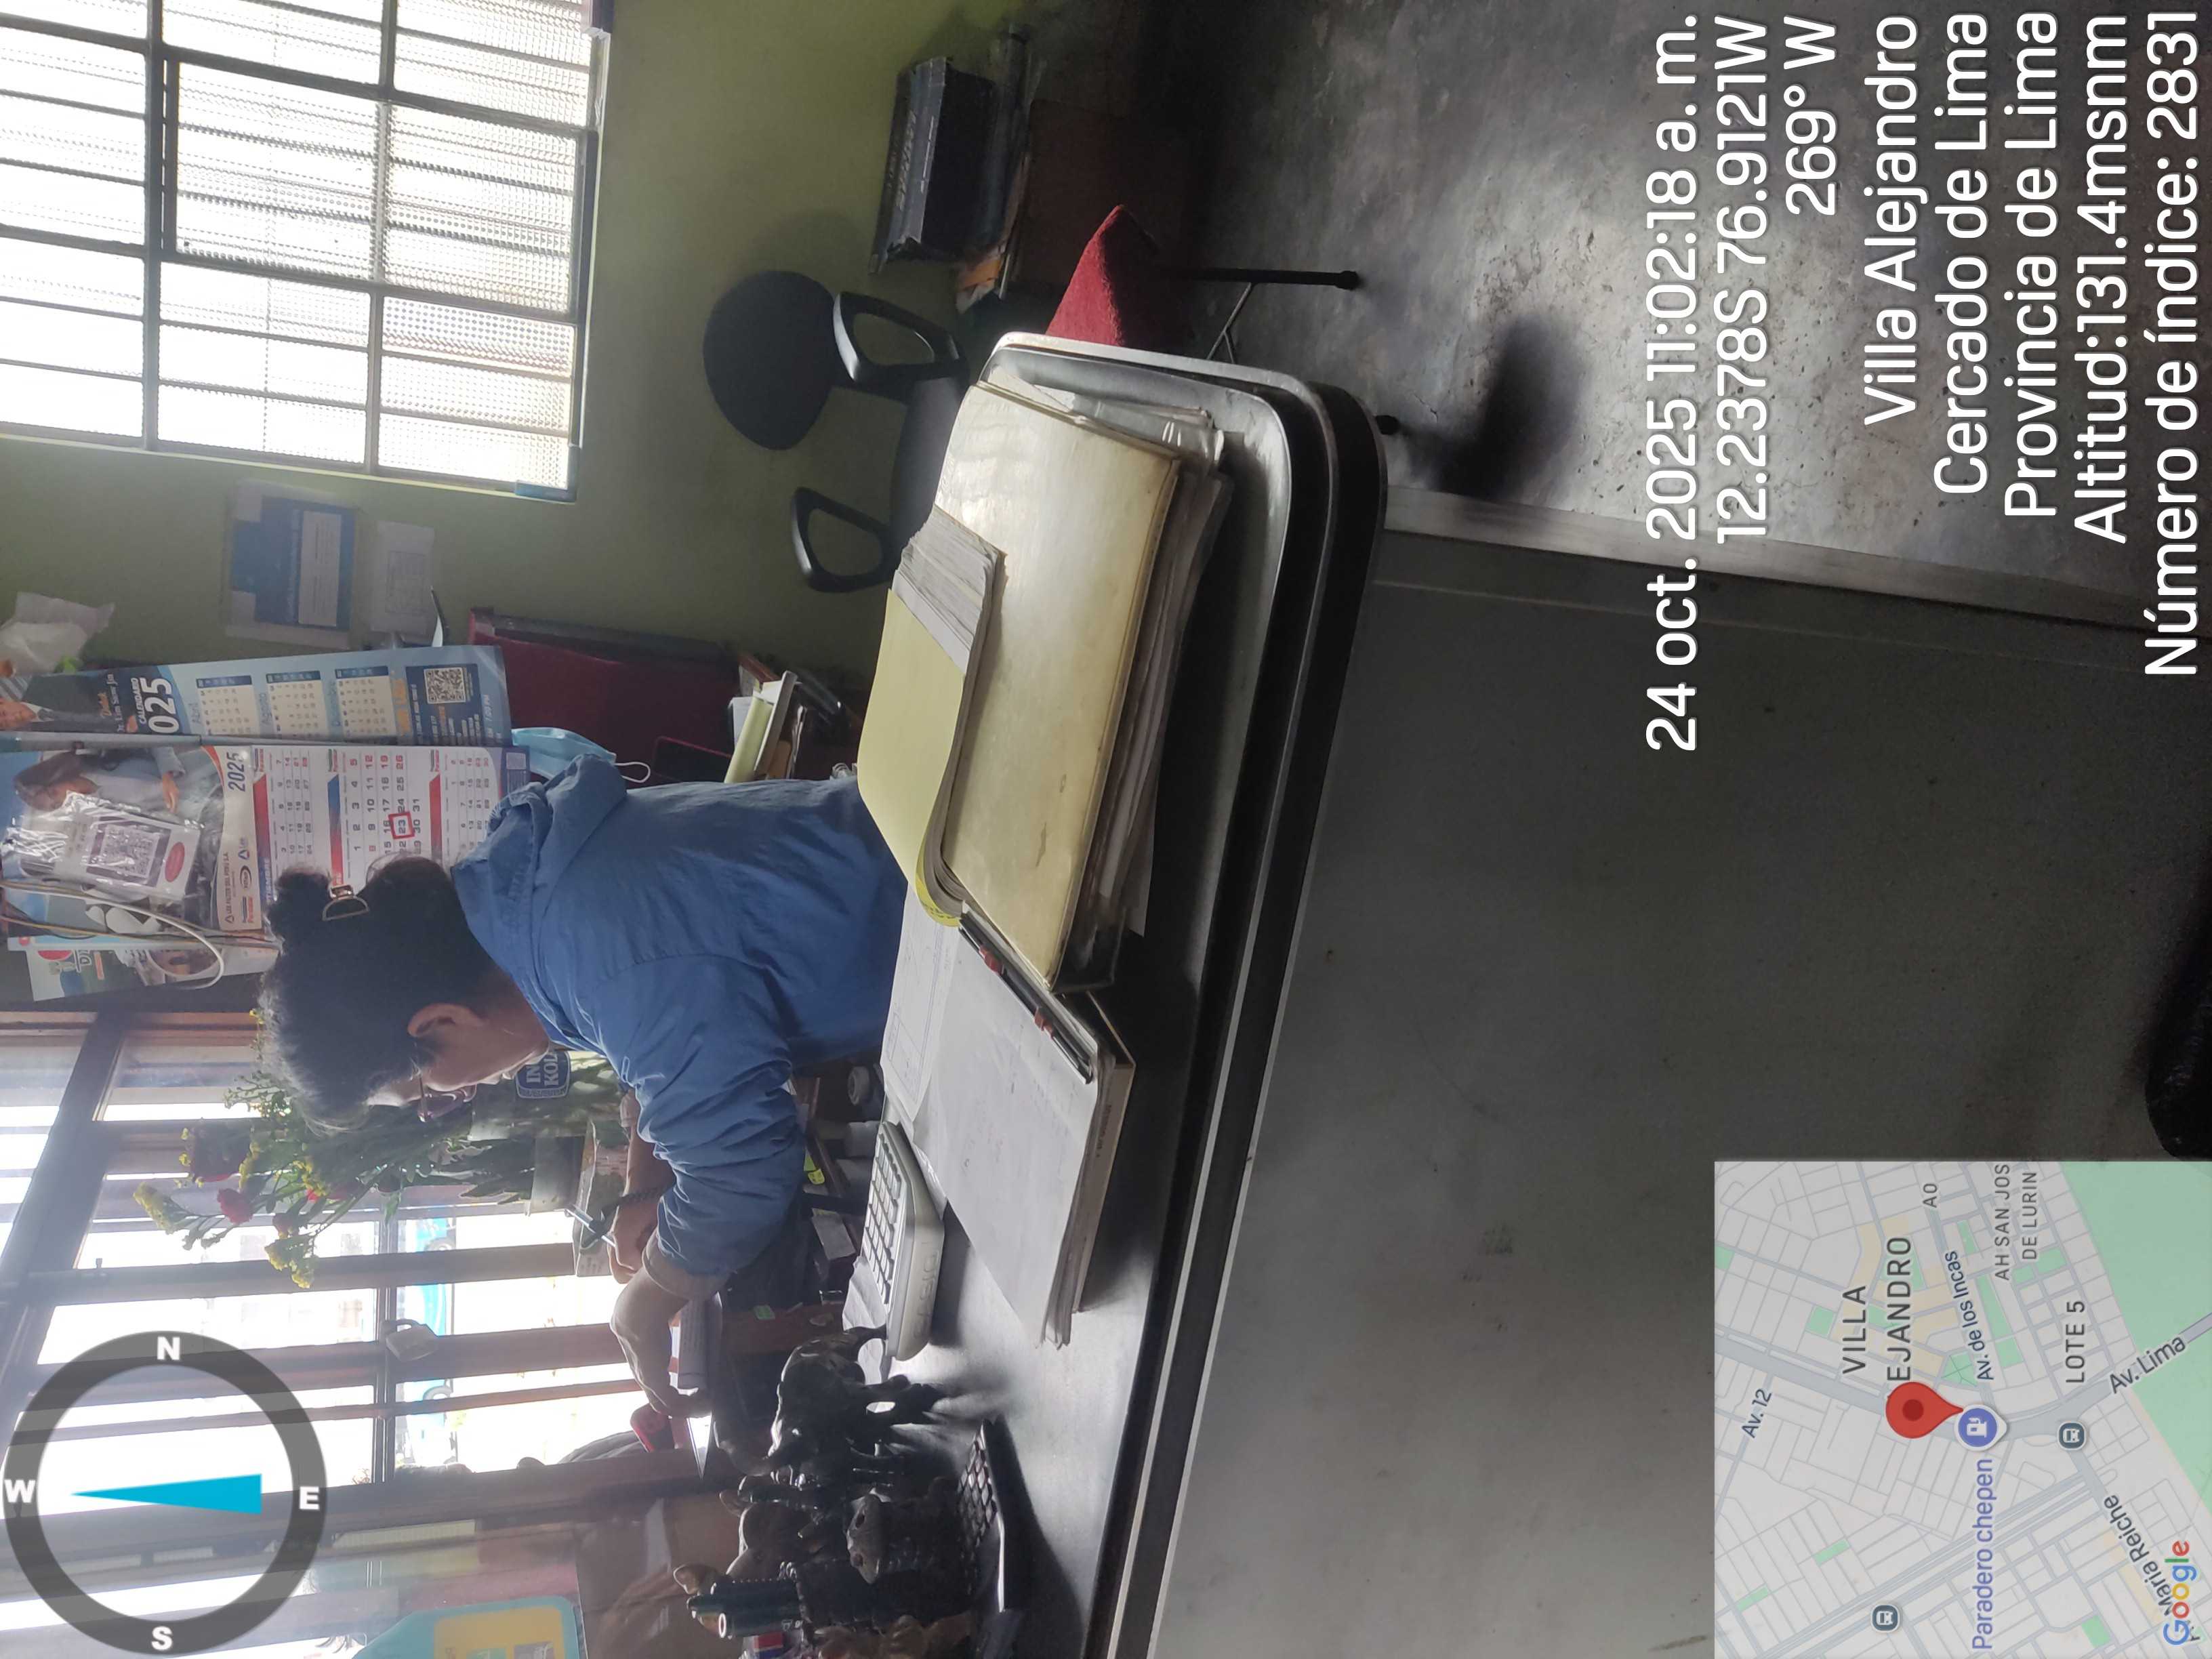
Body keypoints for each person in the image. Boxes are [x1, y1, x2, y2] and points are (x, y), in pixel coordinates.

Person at [255, 754, 906, 1413]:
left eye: (425, 1093)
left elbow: (740, 1170)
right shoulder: (529, 900)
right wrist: (646, 1174)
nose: (452, 1100)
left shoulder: (596, 961)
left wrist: (649, 1298)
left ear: (439, 1022)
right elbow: (675, 1027)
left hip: (944, 920)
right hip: (913, 850)